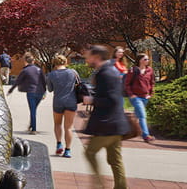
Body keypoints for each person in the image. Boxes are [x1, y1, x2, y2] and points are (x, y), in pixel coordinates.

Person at [83, 44, 129, 189]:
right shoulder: (109, 71)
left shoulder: (105, 73)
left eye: (88, 56)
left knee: (90, 152)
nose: (87, 60)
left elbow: (112, 100)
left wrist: (92, 100)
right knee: (115, 160)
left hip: (108, 125)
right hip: (116, 124)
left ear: (96, 57)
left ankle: (99, 185)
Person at [45, 54, 80, 158]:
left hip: (58, 102)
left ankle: (59, 143)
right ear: (65, 62)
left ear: (55, 63)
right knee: (68, 127)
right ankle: (68, 150)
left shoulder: (51, 74)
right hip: (71, 101)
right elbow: (79, 84)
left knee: (57, 124)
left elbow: (50, 89)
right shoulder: (73, 72)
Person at [7, 52, 46, 134]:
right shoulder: (39, 70)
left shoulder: (25, 70)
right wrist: (44, 92)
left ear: (26, 61)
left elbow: (17, 81)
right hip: (40, 92)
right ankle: (32, 125)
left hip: (31, 92)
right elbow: (43, 81)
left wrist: (11, 90)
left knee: (32, 110)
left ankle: (34, 129)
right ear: (33, 61)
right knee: (34, 110)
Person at [125, 54, 155, 143]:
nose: (147, 60)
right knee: (142, 115)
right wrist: (131, 94)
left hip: (145, 97)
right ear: (140, 60)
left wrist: (150, 94)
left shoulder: (150, 70)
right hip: (136, 97)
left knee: (137, 116)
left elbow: (152, 82)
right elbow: (127, 84)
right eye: (145, 59)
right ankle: (146, 136)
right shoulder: (132, 70)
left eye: (148, 59)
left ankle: (126, 130)